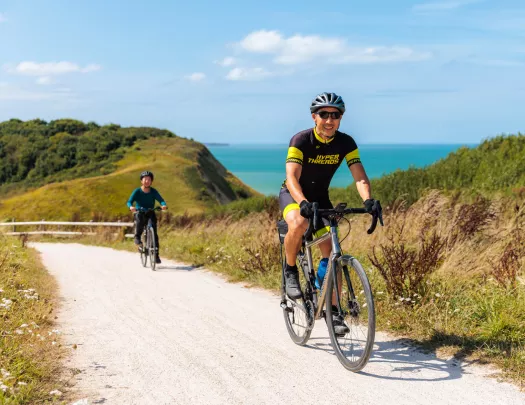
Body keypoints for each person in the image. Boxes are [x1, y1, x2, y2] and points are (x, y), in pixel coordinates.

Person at [279, 92, 382, 334]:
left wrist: (368, 200)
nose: (329, 119)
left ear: (341, 118)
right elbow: (292, 177)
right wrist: (303, 201)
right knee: (298, 223)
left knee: (332, 255)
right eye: (324, 114)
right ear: (314, 117)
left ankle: (333, 313)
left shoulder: (346, 142)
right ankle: (290, 270)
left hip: (321, 199)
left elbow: (359, 176)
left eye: (335, 115)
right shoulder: (301, 140)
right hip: (294, 195)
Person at [127, 170, 167, 264]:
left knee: (154, 232)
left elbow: (161, 200)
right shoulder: (137, 191)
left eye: (149, 179)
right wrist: (131, 207)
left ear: (151, 181)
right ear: (141, 181)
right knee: (140, 222)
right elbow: (129, 201)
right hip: (140, 212)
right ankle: (137, 237)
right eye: (145, 179)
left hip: (150, 212)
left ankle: (156, 254)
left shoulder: (153, 191)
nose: (147, 181)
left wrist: (163, 205)